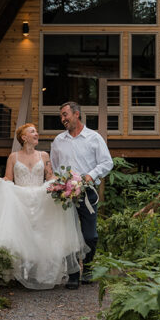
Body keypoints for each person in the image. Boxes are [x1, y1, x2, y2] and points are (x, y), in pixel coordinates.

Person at [0, 122, 88, 289]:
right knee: (19, 236)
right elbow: (8, 178)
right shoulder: (13, 157)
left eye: (36, 132)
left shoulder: (44, 156)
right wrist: (1, 184)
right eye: (32, 131)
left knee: (41, 236)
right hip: (20, 200)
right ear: (24, 137)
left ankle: (39, 274)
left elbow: (49, 177)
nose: (37, 134)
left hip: (40, 199)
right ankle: (16, 273)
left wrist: (64, 184)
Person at [50, 101, 113, 289]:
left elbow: (107, 163)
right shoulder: (58, 141)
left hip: (87, 193)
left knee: (90, 235)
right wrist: (60, 184)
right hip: (65, 195)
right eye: (61, 116)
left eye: (65, 114)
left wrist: (90, 175)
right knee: (67, 235)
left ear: (76, 114)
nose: (63, 119)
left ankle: (88, 268)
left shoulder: (94, 138)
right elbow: (54, 167)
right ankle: (72, 273)